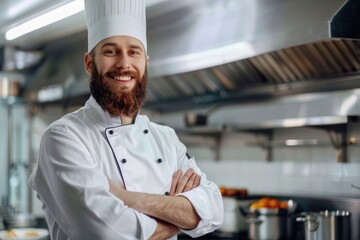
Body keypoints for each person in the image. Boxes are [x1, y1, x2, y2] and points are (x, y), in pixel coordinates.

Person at [29, 0, 224, 239]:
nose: (124, 64)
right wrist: (180, 220)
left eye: (134, 52)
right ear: (90, 64)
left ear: (145, 63)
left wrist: (128, 199)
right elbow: (104, 232)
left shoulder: (165, 138)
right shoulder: (63, 137)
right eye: (111, 51)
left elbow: (214, 210)